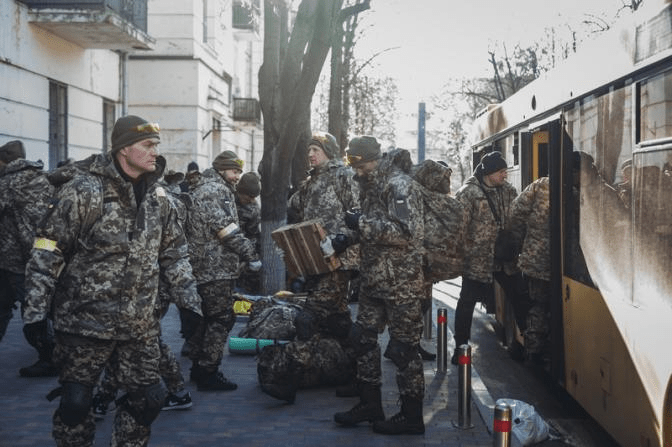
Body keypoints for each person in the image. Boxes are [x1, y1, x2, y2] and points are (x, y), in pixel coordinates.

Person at [21, 115, 203, 446]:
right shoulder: (84, 191)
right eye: (147, 145)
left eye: (156, 145)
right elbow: (48, 251)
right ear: (123, 149)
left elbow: (175, 255)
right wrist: (35, 312)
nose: (155, 152)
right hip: (84, 325)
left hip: (139, 326)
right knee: (76, 404)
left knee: (149, 400)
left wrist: (189, 304)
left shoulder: (159, 197)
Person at [333, 137, 426, 435]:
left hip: (401, 284)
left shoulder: (399, 185)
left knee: (403, 351)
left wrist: (361, 223)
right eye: (353, 165)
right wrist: (347, 237)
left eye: (359, 165)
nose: (356, 171)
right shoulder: (370, 185)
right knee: (361, 339)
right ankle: (370, 404)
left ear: (374, 159)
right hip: (373, 280)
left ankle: (411, 417)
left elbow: (406, 233)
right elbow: (373, 228)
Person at [184, 150, 261, 391]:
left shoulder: (208, 187)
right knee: (221, 318)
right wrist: (251, 255)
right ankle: (208, 371)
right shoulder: (215, 190)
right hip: (214, 267)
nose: (237, 176)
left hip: (207, 266)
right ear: (221, 169)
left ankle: (199, 368)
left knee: (207, 318)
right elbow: (226, 229)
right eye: (234, 171)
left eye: (239, 172)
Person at [453, 151, 526, 365]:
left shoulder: (509, 191)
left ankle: (529, 345)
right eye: (501, 171)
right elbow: (458, 228)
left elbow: (518, 219)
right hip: (478, 261)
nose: (505, 175)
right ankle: (460, 349)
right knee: (467, 303)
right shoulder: (468, 193)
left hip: (505, 259)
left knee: (520, 299)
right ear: (489, 172)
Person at [286, 132, 360, 340]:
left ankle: (307, 356)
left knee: (310, 315)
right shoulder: (312, 180)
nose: (310, 154)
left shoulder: (343, 175)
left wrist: (341, 240)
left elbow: (359, 215)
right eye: (309, 150)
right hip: (316, 258)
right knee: (336, 316)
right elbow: (295, 208)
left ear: (328, 151)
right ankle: (350, 355)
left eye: (315, 149)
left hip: (339, 259)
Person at [0, 140, 59, 377]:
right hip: (44, 250)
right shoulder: (43, 178)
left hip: (16, 259)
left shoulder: (8, 183)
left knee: (32, 308)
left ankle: (50, 357)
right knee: (41, 302)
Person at [507, 176, 551, 365]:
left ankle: (532, 351)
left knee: (538, 304)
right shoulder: (585, 189)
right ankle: (534, 351)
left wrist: (521, 240)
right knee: (541, 305)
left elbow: (515, 212)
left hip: (534, 259)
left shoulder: (541, 185)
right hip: (558, 263)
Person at [235, 171, 262, 294]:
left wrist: (250, 258)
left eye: (254, 197)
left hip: (244, 253)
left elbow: (253, 235)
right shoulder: (227, 199)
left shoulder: (253, 208)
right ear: (241, 191)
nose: (252, 200)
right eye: (250, 196)